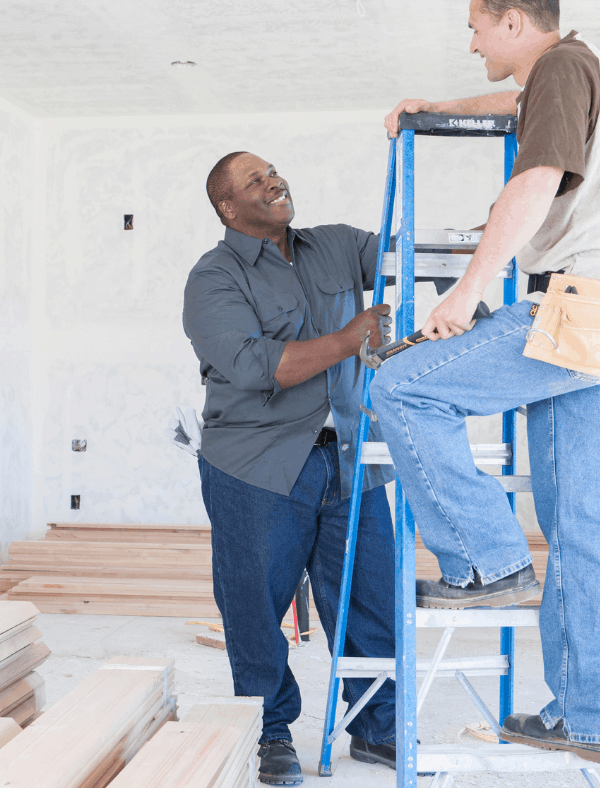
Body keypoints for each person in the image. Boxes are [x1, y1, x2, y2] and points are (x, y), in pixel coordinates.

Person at [373, 0, 600, 766]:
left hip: (583, 307)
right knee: (587, 522)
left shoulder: (565, 65)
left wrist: (469, 291)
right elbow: (515, 106)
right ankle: (598, 720)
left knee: (403, 389)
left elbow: (535, 178)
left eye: (475, 27)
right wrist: (437, 104)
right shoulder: (571, 72)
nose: (470, 41)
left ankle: (486, 562)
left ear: (512, 21)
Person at [183, 151, 398, 785]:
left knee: (371, 602)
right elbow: (258, 368)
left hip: (351, 456)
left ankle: (377, 728)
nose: (274, 181)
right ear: (228, 207)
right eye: (255, 180)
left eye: (273, 171)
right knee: (255, 606)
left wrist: (486, 234)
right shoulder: (214, 278)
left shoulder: (334, 245)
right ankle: (269, 730)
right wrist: (352, 336)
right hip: (256, 465)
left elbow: (405, 253)